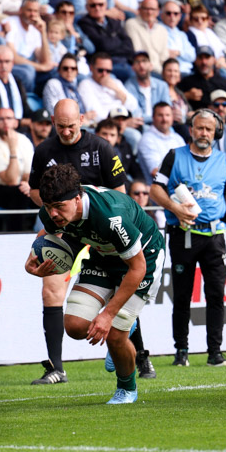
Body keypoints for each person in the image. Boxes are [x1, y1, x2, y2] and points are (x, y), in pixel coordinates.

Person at [26, 163, 164, 403]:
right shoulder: (52, 210)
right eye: (48, 207)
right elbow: (45, 235)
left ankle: (126, 389)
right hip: (101, 256)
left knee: (114, 336)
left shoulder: (111, 216)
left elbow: (137, 268)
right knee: (76, 326)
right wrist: (33, 259)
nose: (54, 214)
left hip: (143, 257)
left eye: (59, 207)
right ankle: (121, 330)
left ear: (78, 198)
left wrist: (108, 315)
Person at [26, 99, 128, 385]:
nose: (67, 131)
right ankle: (56, 367)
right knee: (50, 289)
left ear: (82, 119)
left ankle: (137, 353)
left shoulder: (102, 149)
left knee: (124, 282)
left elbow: (121, 195)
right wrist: (58, 207)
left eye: (71, 126)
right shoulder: (44, 150)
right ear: (53, 121)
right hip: (63, 228)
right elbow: (36, 193)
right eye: (61, 126)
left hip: (101, 226)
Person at [150, 107, 226, 368]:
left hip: (214, 236)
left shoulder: (224, 161)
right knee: (181, 295)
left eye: (209, 130)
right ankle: (181, 351)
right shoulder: (174, 156)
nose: (204, 133)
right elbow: (155, 189)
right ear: (191, 130)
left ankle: (215, 351)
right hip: (183, 235)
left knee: (216, 295)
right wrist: (174, 208)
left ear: (216, 133)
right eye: (200, 128)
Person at [180, 47, 226, 137]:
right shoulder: (187, 82)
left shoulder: (224, 82)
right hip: (200, 129)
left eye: (207, 58)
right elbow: (174, 101)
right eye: (200, 58)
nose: (204, 62)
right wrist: (186, 96)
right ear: (195, 60)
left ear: (214, 60)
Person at [78, 0, 136, 82]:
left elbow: (129, 45)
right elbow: (103, 45)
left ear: (106, 5)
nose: (97, 8)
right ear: (87, 7)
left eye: (100, 4)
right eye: (93, 5)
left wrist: (111, 44)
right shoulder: (84, 23)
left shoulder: (113, 20)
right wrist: (116, 40)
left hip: (125, 61)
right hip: (104, 67)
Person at [77, 53, 142, 131]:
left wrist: (116, 89)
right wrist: (122, 123)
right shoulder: (85, 84)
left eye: (108, 71)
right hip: (108, 127)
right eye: (100, 70)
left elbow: (134, 106)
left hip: (126, 120)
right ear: (91, 68)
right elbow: (96, 115)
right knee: (135, 137)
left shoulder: (116, 82)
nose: (104, 74)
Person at [2, 0, 52, 94]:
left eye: (35, 11)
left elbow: (45, 60)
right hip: (10, 66)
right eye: (29, 10)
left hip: (29, 68)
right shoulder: (10, 23)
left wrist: (43, 33)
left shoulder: (35, 29)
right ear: (21, 10)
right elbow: (13, 58)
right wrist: (41, 67)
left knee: (54, 72)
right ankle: (27, 102)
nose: (32, 14)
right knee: (28, 71)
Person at [0, 44, 31, 130]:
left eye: (7, 62)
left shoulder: (16, 81)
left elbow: (25, 107)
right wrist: (19, 122)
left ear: (12, 63)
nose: (3, 66)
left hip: (18, 125)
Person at [138, 102, 185, 181]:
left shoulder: (178, 138)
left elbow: (187, 164)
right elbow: (155, 172)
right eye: (160, 115)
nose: (164, 119)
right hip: (158, 189)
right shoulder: (147, 139)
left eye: (167, 115)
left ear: (172, 117)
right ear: (153, 117)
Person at [125, 0, 170, 76]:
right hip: (143, 70)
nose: (149, 12)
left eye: (152, 9)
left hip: (160, 71)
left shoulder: (162, 30)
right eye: (146, 9)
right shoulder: (131, 24)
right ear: (139, 10)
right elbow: (137, 51)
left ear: (158, 11)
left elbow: (164, 56)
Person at [124, 51, 169, 128]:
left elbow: (167, 110)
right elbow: (136, 114)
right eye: (137, 62)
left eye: (144, 61)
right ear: (133, 68)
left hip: (162, 123)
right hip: (142, 125)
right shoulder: (129, 86)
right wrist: (155, 118)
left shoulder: (162, 85)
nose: (141, 65)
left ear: (151, 66)